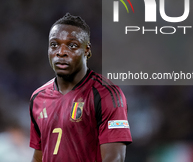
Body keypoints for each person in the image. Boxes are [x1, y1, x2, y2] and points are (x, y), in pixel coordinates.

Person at [29, 13, 132, 162]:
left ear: (87, 50)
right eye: (54, 44)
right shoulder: (38, 98)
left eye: (72, 46)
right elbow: (38, 157)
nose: (61, 52)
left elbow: (114, 158)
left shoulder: (105, 94)